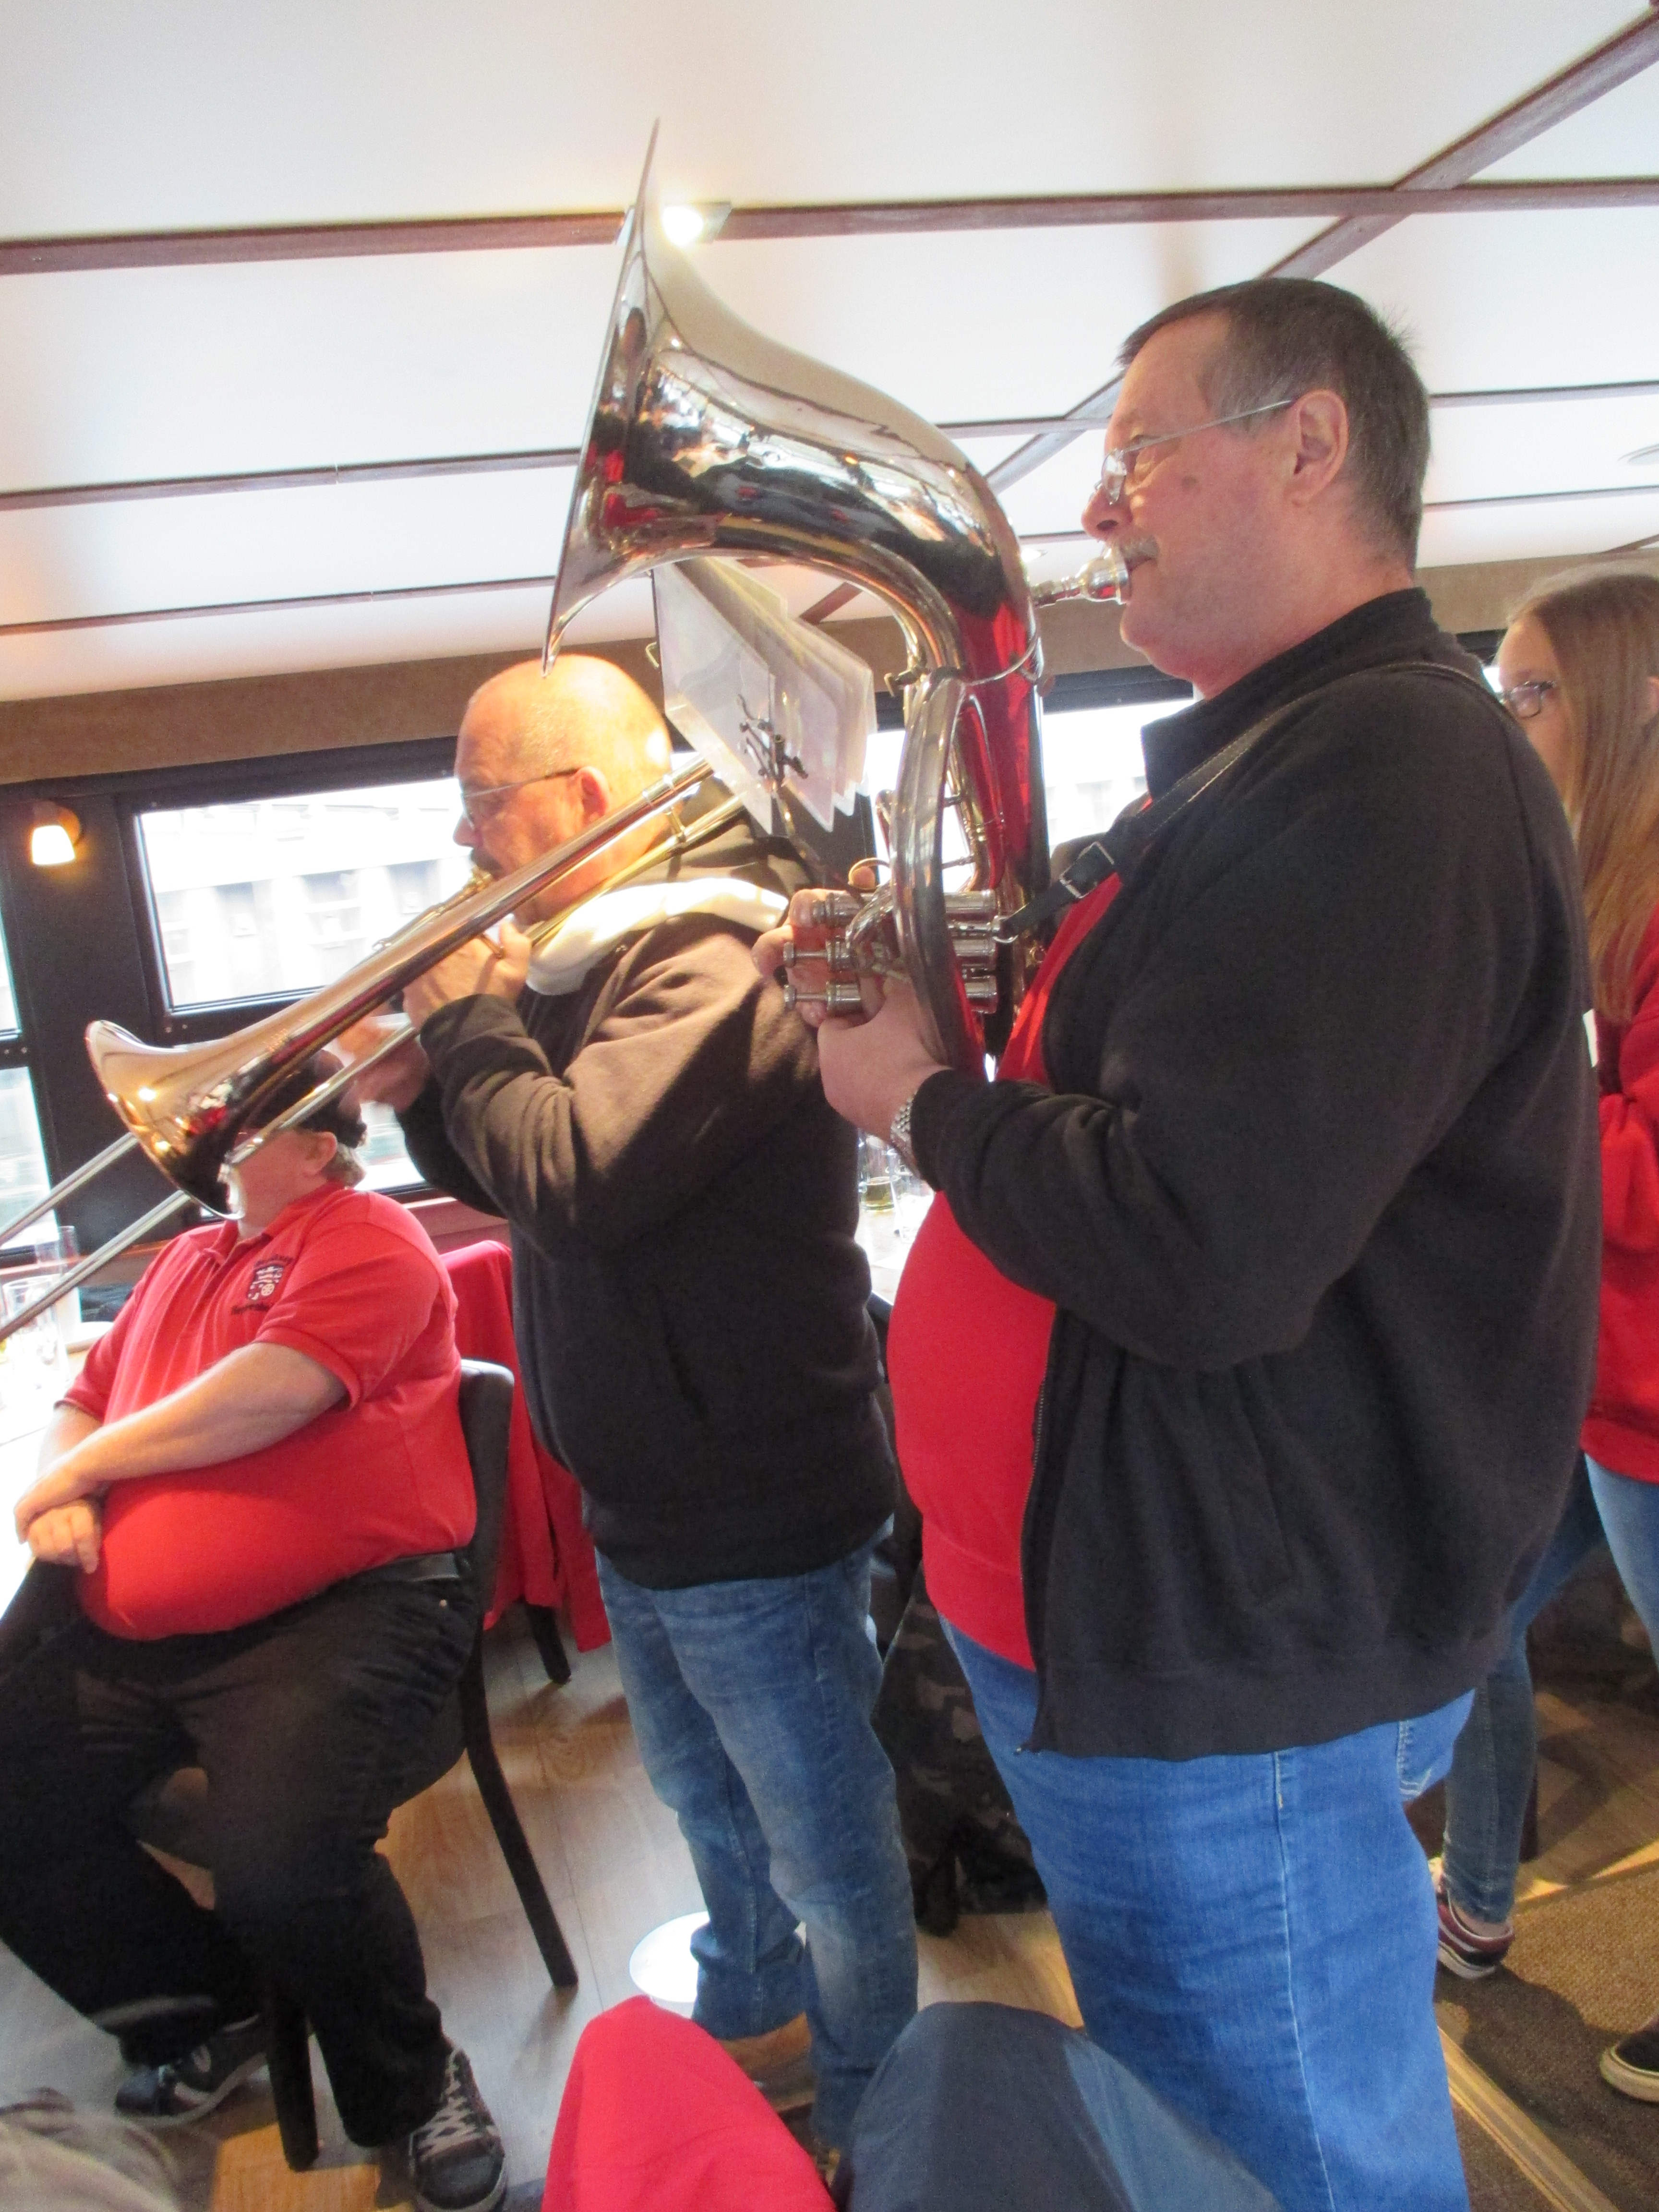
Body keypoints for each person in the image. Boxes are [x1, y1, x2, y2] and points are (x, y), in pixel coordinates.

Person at [758, 276, 1602, 2212]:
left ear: (1310, 446)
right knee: (1200, 2117)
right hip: (1154, 1619)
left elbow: (1204, 1244)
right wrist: (940, 1027)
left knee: (1280, 2147)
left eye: (1139, 454)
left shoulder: (1384, 771)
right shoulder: (1279, 758)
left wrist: (917, 1101)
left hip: (1236, 1646)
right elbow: (1170, 1119)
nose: (1097, 507)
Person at [355, 654, 916, 2159]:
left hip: (749, 1500)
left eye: (483, 801)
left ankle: (878, 2126)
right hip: (653, 1489)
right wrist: (432, 1087)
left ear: (586, 795)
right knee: (703, 1795)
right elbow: (525, 1178)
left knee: (829, 1847)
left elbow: (576, 1177)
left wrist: (466, 1031)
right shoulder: (595, 962)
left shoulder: (715, 955)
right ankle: (753, 2009)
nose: (464, 835)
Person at [0, 1064, 507, 2212]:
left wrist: (79, 1473)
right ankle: (207, 2009)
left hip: (344, 1615)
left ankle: (415, 2083)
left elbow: (276, 1389)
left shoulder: (365, 1233)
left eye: (243, 1125)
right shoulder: (186, 1257)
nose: (210, 1137)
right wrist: (61, 1485)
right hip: (146, 1635)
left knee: (282, 1871)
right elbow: (83, 1398)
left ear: (320, 1148)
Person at [1429, 569, 1659, 2098]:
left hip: (1645, 1396)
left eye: (1535, 693)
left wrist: (1514, 1108)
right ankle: (1478, 1902)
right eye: (1499, 691)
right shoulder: (1585, 882)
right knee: (1476, 1620)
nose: (1507, 721)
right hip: (1592, 1380)